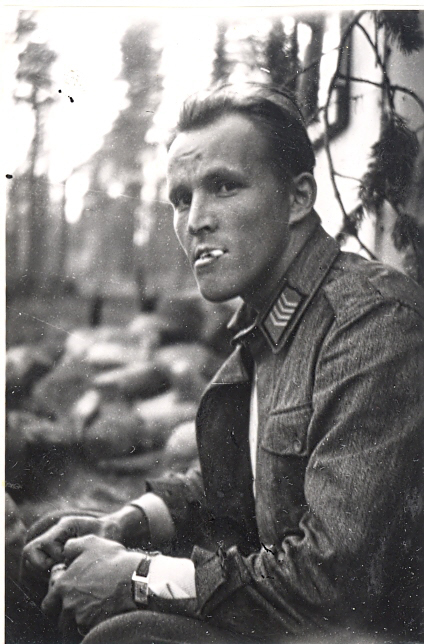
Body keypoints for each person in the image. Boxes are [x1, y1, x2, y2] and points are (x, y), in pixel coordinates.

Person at [23, 83, 424, 644]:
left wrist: (138, 576)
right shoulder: (268, 321)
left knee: (127, 634)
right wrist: (126, 522)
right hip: (292, 607)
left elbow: (333, 583)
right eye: (181, 198)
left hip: (353, 630)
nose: (196, 220)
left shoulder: (370, 325)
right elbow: (237, 483)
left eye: (224, 186)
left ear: (298, 198)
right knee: (52, 554)